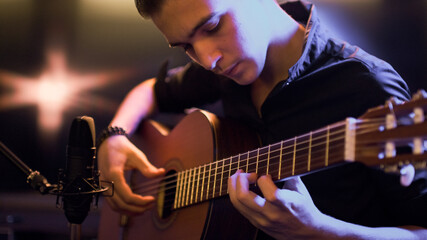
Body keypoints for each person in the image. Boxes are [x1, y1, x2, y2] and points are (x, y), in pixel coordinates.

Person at [97, 0, 427, 239]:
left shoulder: (367, 84)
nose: (208, 59)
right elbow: (150, 91)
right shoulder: (225, 70)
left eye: (212, 26)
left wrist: (320, 232)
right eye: (186, 46)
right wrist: (114, 136)